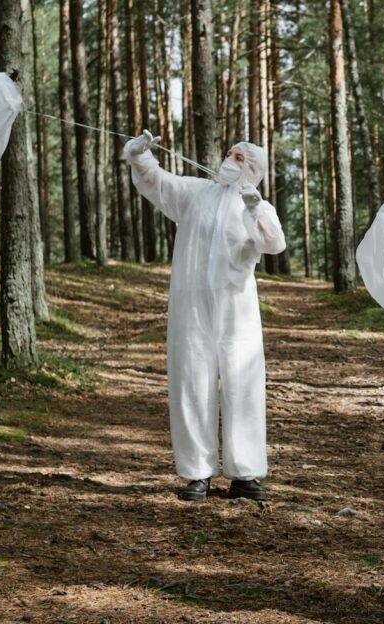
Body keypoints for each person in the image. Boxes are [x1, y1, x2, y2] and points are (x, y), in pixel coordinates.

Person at [124, 130, 286, 502]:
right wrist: (140, 155)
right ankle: (197, 472)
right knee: (191, 380)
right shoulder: (196, 192)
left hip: (237, 308)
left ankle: (244, 473)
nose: (229, 160)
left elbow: (274, 243)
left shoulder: (257, 204)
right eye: (229, 153)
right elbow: (159, 182)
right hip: (191, 303)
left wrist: (254, 209)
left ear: (253, 169)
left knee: (242, 385)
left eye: (239, 157)